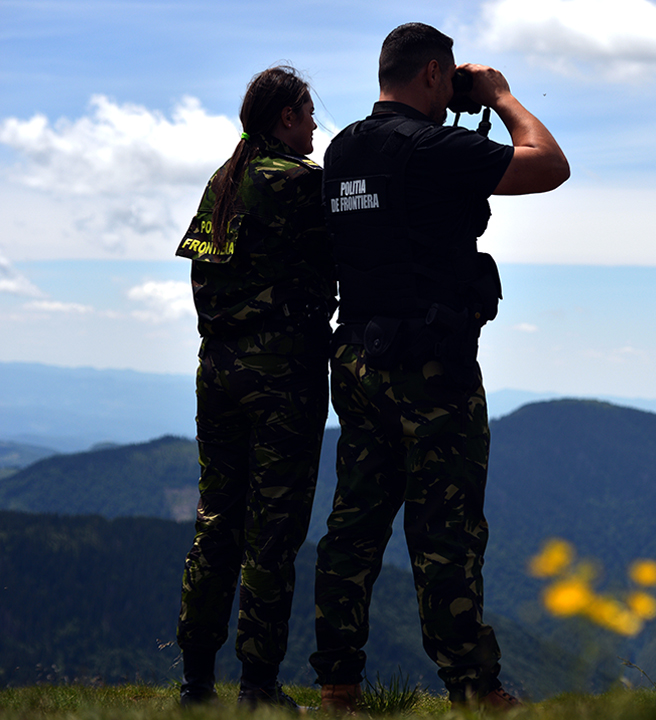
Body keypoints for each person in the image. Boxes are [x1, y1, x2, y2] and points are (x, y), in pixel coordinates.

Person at [309, 22, 569, 713]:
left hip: (358, 358)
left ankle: (337, 682)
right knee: (445, 532)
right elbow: (547, 164)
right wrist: (504, 97)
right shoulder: (432, 148)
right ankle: (473, 688)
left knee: (354, 523)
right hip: (430, 368)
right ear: (432, 75)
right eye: (447, 77)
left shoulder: (343, 150)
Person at [174, 65, 336, 709]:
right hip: (283, 378)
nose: (316, 124)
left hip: (217, 372)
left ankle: (195, 681)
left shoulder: (223, 181)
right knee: (273, 530)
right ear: (286, 119)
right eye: (307, 112)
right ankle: (259, 685)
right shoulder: (299, 184)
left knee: (216, 523)